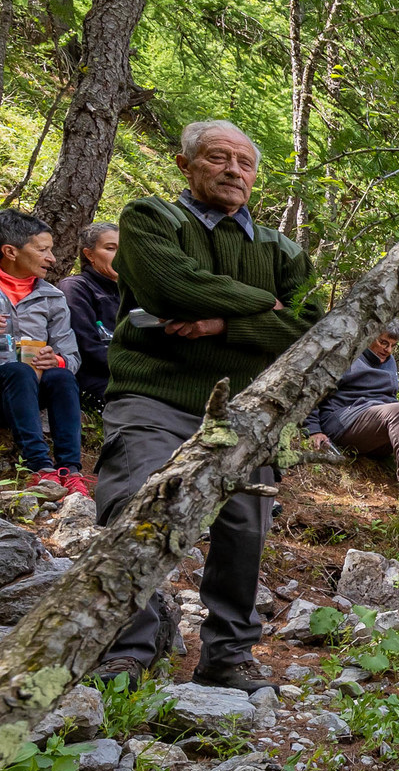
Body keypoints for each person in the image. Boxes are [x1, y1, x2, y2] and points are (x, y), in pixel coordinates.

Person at [94, 121, 321, 689]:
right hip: (153, 396)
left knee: (244, 528)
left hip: (247, 409)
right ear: (185, 164)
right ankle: (126, 650)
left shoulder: (282, 249)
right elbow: (170, 287)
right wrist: (263, 304)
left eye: (245, 163)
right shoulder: (150, 218)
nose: (233, 171)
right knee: (135, 502)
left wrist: (223, 323)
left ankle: (227, 657)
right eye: (219, 158)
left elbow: (312, 326)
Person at [0, 208, 87, 495]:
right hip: (5, 385)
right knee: (17, 371)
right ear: (10, 252)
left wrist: (57, 360)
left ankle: (70, 470)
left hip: (29, 393)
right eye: (42, 250)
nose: (52, 258)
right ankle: (39, 466)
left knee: (61, 376)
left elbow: (71, 356)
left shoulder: (52, 296)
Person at [306, 324, 399, 502]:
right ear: (369, 335)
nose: (388, 350)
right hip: (343, 419)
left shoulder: (389, 362)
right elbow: (312, 393)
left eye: (393, 345)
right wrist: (313, 429)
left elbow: (390, 398)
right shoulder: (344, 355)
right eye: (383, 342)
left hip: (376, 424)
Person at [62, 222, 120, 414]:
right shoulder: (76, 288)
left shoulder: (133, 291)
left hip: (138, 376)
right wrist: (135, 369)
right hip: (97, 381)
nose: (120, 255)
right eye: (110, 248)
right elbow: (87, 347)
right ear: (89, 254)